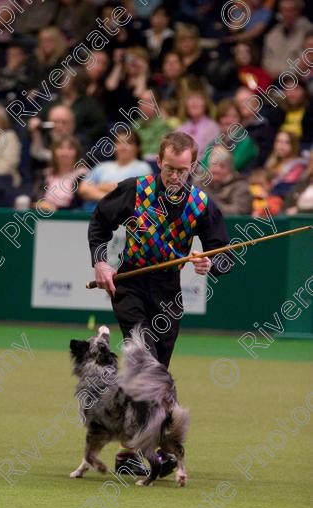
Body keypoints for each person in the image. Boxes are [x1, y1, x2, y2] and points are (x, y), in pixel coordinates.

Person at [88, 131, 231, 475]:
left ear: (193, 165)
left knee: (158, 372)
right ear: (159, 162)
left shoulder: (201, 204)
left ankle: (143, 448)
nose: (175, 176)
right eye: (169, 169)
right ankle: (130, 452)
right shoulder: (135, 190)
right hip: (131, 284)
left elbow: (224, 255)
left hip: (169, 293)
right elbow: (99, 224)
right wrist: (101, 261)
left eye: (182, 170)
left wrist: (210, 263)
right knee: (146, 363)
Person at [262, 0, 311, 79]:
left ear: (298, 11)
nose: (287, 13)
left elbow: (304, 63)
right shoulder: (272, 34)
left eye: (291, 10)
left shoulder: (308, 32)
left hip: (299, 82)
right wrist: (273, 72)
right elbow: (266, 61)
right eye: (284, 10)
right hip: (273, 81)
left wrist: (282, 72)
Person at [205, 146, 252, 215]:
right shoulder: (201, 183)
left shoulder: (241, 186)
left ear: (230, 169)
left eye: (222, 166)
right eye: (214, 165)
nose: (217, 170)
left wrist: (210, 206)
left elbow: (239, 211)